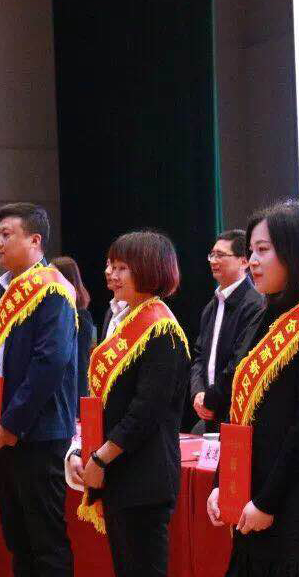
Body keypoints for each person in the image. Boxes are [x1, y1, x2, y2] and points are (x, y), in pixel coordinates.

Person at [206, 201, 299, 576]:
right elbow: (241, 414)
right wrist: (223, 484)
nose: (253, 261)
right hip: (252, 506)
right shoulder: (266, 316)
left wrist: (267, 502)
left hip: (297, 513)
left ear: (295, 252)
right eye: (251, 251)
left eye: (263, 250)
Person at [0, 203, 77, 577]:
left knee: (45, 540)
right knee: (17, 536)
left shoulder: (53, 289)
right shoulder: (2, 290)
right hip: (1, 429)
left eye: (7, 235)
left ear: (35, 240)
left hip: (38, 431)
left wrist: (13, 421)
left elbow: (50, 362)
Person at [66, 230, 190, 577]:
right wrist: (83, 450)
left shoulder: (161, 330)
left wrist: (100, 457)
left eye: (121, 267)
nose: (110, 273)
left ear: (149, 270)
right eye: (110, 265)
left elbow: (145, 411)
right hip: (120, 472)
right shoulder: (124, 320)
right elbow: (107, 404)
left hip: (144, 477)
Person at [190, 229, 263, 432]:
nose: (213, 261)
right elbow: (199, 356)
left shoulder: (255, 305)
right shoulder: (211, 307)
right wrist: (198, 393)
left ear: (244, 261)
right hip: (209, 410)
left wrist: (211, 399)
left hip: (237, 413)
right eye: (212, 255)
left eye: (221, 255)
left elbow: (239, 362)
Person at [51, 255, 96, 399]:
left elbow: (81, 365)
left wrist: (79, 405)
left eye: (54, 276)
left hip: (71, 396)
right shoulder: (53, 313)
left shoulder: (81, 317)